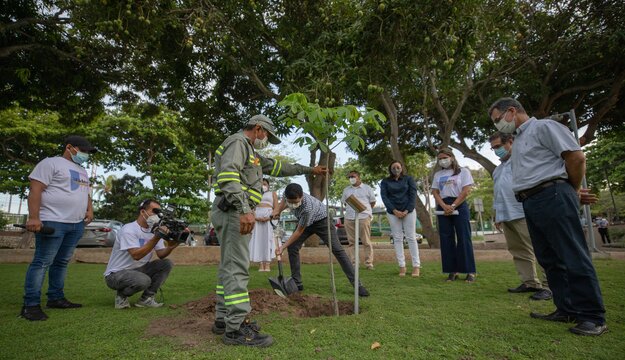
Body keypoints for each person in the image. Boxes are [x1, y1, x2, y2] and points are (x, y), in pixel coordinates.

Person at [489, 97, 607, 336]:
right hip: (531, 201)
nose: (497, 126)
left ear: (511, 111)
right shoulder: (519, 140)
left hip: (551, 195)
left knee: (572, 254)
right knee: (549, 258)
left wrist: (570, 190)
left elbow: (576, 157)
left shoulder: (544, 127)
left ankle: (593, 316)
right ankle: (567, 308)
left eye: (497, 120)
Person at [211, 114, 327, 347]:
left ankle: (223, 320)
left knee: (229, 267)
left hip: (234, 211)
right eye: (266, 135)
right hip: (235, 210)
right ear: (258, 128)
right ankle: (235, 328)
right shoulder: (238, 143)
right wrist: (244, 209)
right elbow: (228, 176)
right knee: (237, 268)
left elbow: (280, 167)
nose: (266, 139)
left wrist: (309, 169)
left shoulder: (251, 154)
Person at [20, 135, 97, 321]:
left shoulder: (82, 170)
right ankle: (30, 305)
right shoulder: (50, 163)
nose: (85, 154)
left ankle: (55, 297)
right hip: (53, 221)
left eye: (87, 152)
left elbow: (85, 192)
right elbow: (36, 189)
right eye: (83, 150)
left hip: (76, 223)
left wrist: (89, 209)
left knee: (62, 262)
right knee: (42, 262)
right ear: (69, 147)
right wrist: (34, 217)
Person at [273, 183, 370, 297]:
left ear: (302, 197)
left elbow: (298, 232)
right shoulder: (287, 193)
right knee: (293, 247)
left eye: (295, 202)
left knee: (338, 250)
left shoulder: (307, 208)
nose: (293, 205)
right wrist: (277, 211)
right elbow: (283, 203)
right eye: (291, 202)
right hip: (305, 222)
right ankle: (297, 283)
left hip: (322, 221)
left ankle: (358, 285)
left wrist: (282, 247)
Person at [490, 132, 551, 301]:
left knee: (540, 249)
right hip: (507, 214)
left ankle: (550, 286)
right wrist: (497, 215)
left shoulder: (523, 161)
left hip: (524, 212)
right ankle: (530, 282)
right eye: (493, 148)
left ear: (510, 142)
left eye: (498, 146)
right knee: (518, 250)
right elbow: (499, 193)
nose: (496, 151)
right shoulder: (498, 169)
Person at [104, 199, 180, 309]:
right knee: (144, 280)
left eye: (159, 213)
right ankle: (121, 296)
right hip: (115, 274)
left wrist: (171, 246)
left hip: (139, 269)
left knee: (166, 264)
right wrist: (156, 237)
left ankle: (146, 299)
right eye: (154, 211)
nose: (157, 216)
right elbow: (136, 255)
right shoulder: (128, 229)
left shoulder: (154, 230)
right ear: (142, 212)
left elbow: (161, 255)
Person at [431, 149, 477, 282]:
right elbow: (435, 192)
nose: (442, 161)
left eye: (444, 157)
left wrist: (453, 206)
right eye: (439, 159)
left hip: (459, 205)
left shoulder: (463, 171)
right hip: (443, 206)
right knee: (446, 239)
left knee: (464, 237)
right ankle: (452, 271)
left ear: (451, 157)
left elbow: (466, 190)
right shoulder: (438, 174)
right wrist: (444, 206)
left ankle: (469, 271)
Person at [380, 161, 421, 277]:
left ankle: (416, 266)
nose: (396, 169)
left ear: (402, 168)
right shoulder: (385, 181)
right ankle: (402, 266)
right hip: (393, 213)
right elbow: (384, 197)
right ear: (390, 169)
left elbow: (413, 195)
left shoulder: (409, 179)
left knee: (411, 237)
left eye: (398, 167)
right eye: (393, 167)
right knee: (397, 238)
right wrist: (394, 210)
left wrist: (406, 211)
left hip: (409, 211)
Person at [341, 170, 376, 270]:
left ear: (358, 177)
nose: (351, 178)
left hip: (363, 217)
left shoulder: (367, 188)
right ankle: (354, 263)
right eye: (349, 177)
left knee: (366, 241)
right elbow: (344, 203)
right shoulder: (346, 190)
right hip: (349, 218)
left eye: (353, 176)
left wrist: (367, 212)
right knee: (351, 242)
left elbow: (372, 202)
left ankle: (369, 263)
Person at [249, 178, 278, 272]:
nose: (263, 186)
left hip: (269, 217)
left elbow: (276, 207)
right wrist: (256, 217)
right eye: (261, 184)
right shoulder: (255, 193)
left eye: (265, 184)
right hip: (257, 216)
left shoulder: (273, 193)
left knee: (268, 239)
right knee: (259, 239)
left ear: (268, 185)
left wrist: (270, 217)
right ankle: (261, 263)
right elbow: (251, 207)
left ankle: (268, 263)